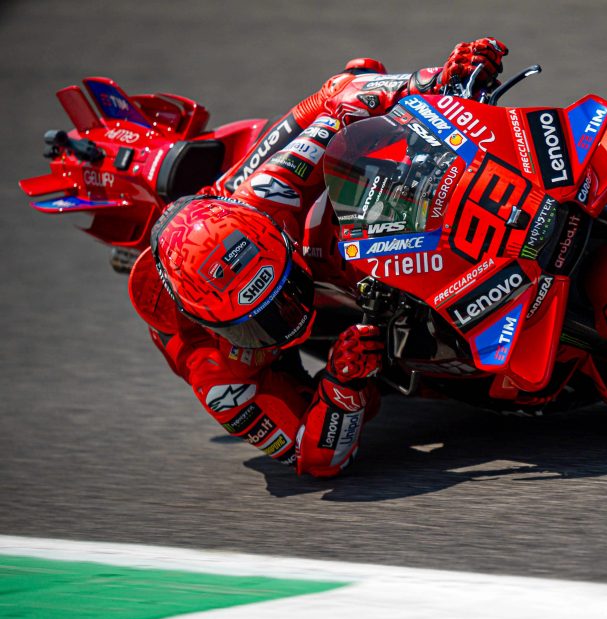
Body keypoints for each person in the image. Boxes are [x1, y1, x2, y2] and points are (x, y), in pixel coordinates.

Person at [128, 38, 509, 477]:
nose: (286, 317)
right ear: (214, 325)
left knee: (359, 82)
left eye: (285, 293)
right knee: (370, 391)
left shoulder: (270, 191)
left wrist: (435, 79)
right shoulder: (215, 373)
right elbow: (313, 458)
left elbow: (339, 97)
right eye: (256, 324)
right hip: (275, 358)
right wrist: (342, 385)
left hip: (245, 202)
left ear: (278, 239)